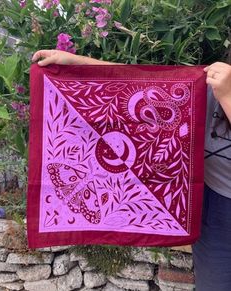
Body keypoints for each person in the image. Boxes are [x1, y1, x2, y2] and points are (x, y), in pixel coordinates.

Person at [32, 49, 231, 291]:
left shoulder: (225, 87)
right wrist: (74, 63)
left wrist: (229, 98)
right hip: (217, 208)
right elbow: (143, 85)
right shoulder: (218, 81)